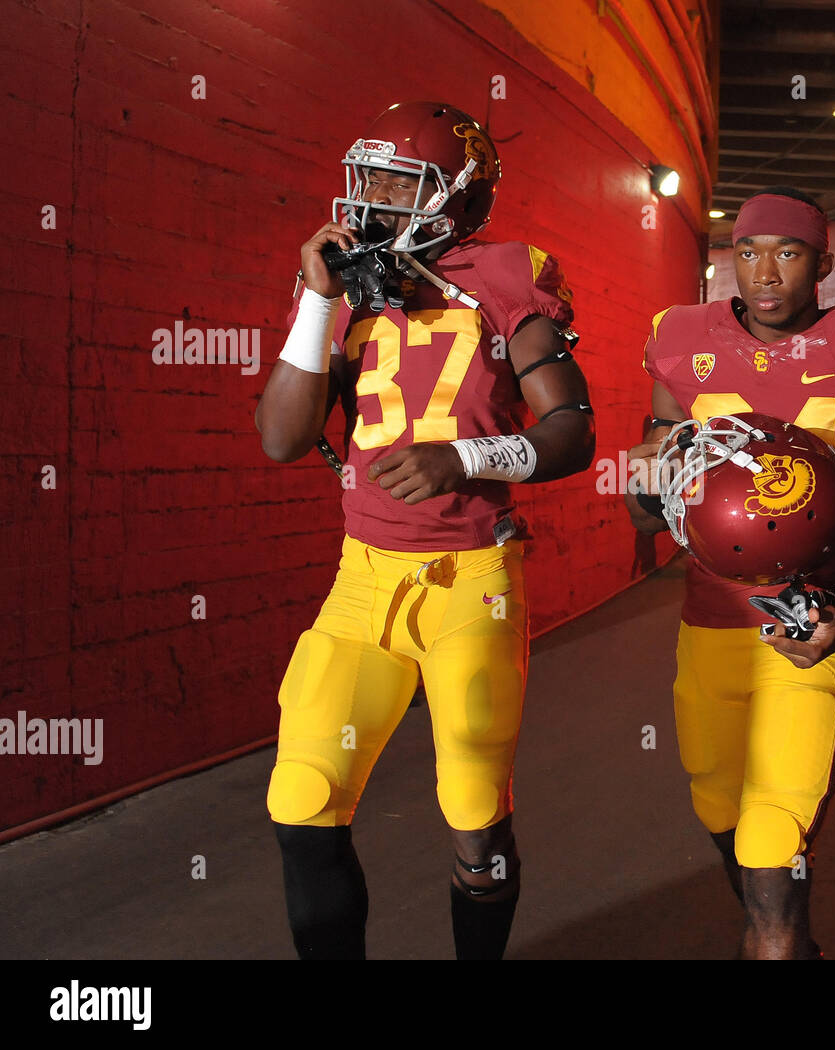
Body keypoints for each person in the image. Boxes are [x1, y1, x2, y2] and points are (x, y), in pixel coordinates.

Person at [255, 101, 594, 960]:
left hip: (470, 580)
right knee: (300, 796)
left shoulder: (508, 274)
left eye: (398, 184)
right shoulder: (347, 282)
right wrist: (318, 306)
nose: (371, 201)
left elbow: (571, 433)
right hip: (361, 582)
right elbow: (282, 438)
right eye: (366, 179)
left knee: (474, 811)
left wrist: (468, 456)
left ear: (459, 198)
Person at [622, 186, 835, 959]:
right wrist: (640, 485)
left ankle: (776, 933)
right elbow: (646, 515)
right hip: (707, 625)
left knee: (771, 840)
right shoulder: (680, 339)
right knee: (721, 813)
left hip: (805, 629)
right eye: (748, 253)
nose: (765, 274)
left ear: (823, 264)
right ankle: (786, 934)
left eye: (788, 255)